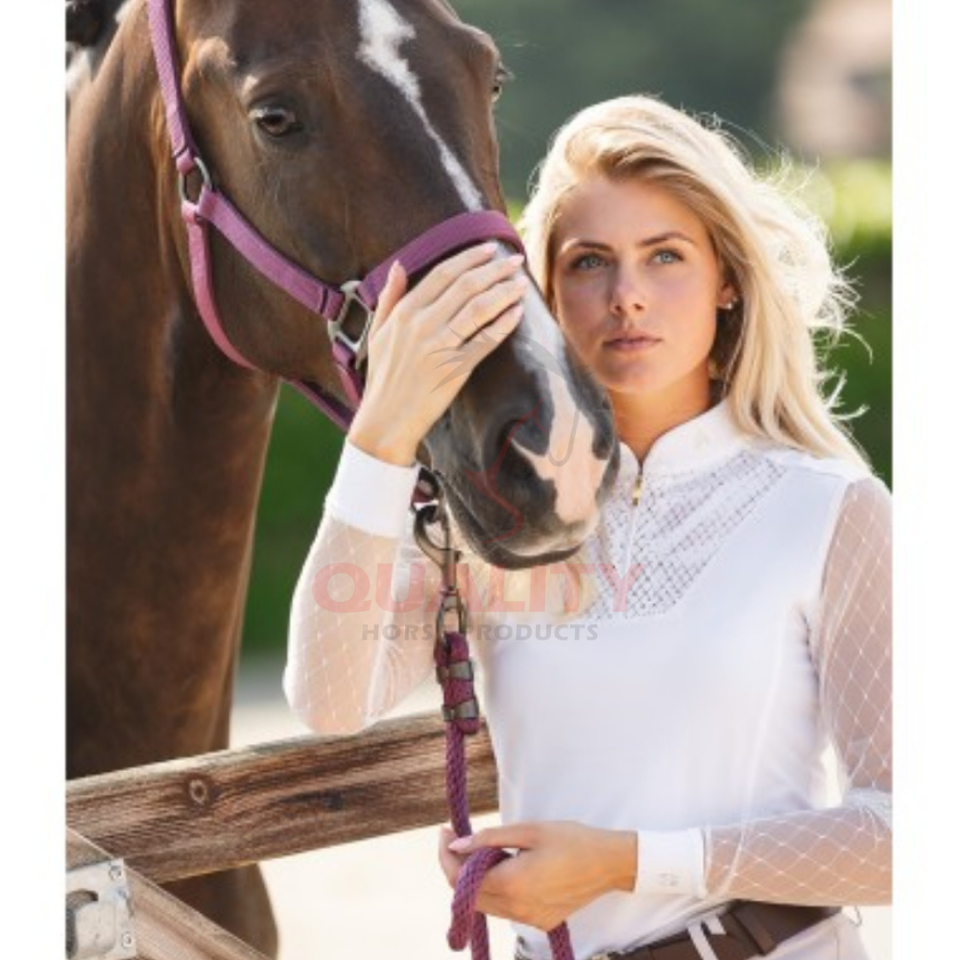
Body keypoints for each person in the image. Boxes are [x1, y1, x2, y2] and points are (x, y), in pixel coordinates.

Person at [284, 94, 891, 960]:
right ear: (545, 293)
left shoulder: (830, 508)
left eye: (665, 256)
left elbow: (909, 832)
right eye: (589, 263)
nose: (626, 298)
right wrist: (382, 434)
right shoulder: (490, 514)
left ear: (726, 281)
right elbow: (329, 701)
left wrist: (623, 863)